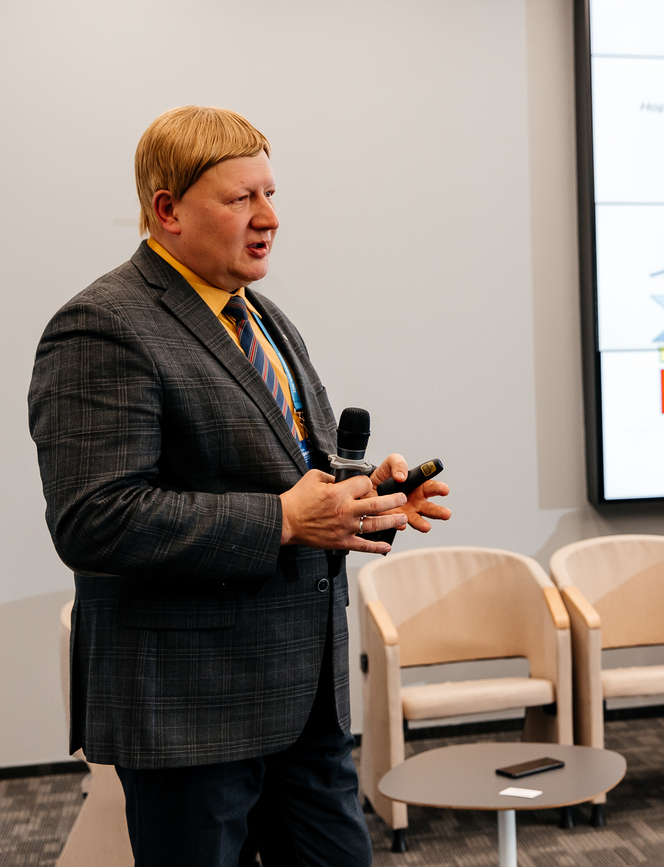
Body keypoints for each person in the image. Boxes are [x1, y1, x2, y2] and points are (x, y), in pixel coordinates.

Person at [28, 106, 451, 866]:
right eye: (241, 199)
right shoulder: (101, 325)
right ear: (168, 210)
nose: (269, 217)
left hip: (304, 701)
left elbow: (290, 473)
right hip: (191, 712)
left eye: (270, 194)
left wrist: (366, 500)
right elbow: (95, 518)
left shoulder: (262, 316)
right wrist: (283, 519)